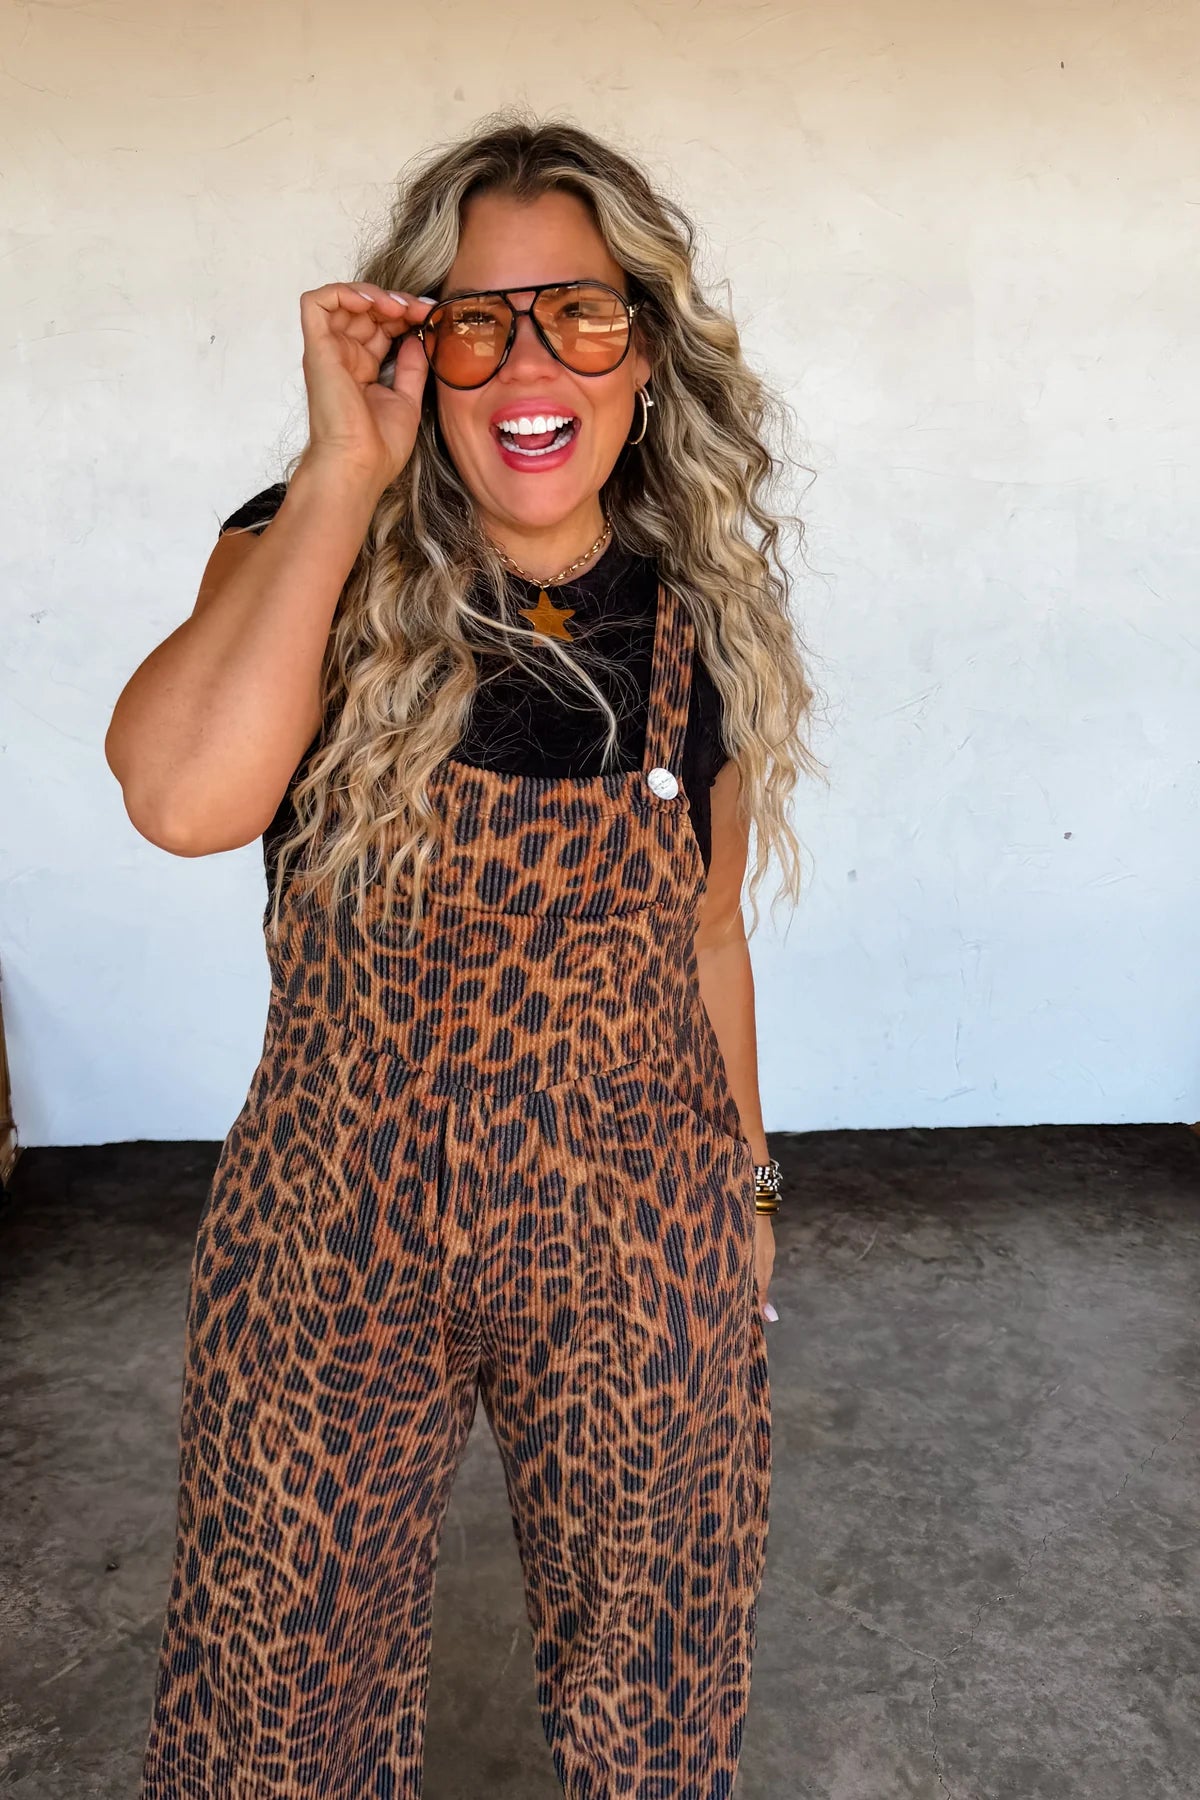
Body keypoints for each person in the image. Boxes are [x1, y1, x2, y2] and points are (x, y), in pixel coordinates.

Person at [107, 112, 815, 1800]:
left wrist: (750, 1191)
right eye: (478, 323)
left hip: (639, 1217)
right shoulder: (306, 548)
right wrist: (341, 471)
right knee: (280, 1679)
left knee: (658, 1668)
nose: (530, 363)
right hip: (332, 1216)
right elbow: (183, 800)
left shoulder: (694, 618)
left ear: (645, 348)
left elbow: (709, 928)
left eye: (581, 311)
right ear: (419, 354)